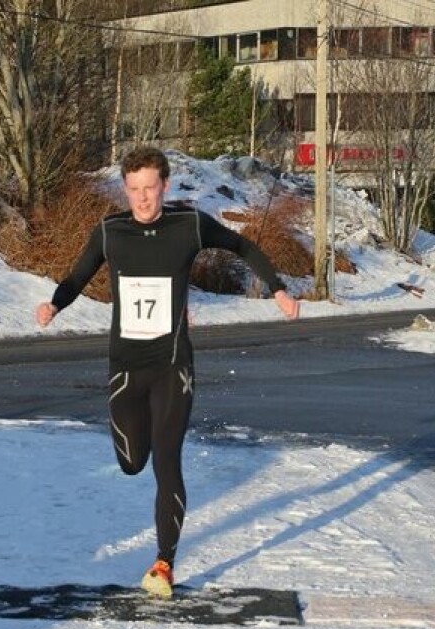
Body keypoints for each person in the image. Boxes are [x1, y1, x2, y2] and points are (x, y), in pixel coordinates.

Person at [36, 146, 300, 598]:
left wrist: (276, 289)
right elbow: (77, 277)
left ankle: (164, 563)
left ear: (165, 186)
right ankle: (132, 461)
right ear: (125, 189)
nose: (143, 198)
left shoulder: (188, 226)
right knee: (131, 461)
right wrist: (54, 304)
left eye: (150, 188)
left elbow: (243, 245)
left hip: (172, 366)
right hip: (125, 368)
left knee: (166, 459)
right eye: (134, 189)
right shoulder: (109, 232)